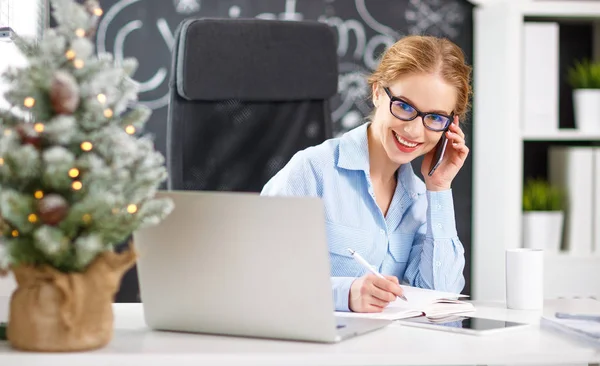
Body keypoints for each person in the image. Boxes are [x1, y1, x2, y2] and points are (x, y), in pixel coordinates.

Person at [260, 35, 472, 313]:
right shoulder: (313, 171)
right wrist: (343, 294)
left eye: (434, 118)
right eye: (405, 106)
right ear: (376, 92)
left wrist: (440, 186)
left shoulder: (422, 198)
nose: (414, 131)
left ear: (449, 125)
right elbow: (257, 276)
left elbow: (440, 294)